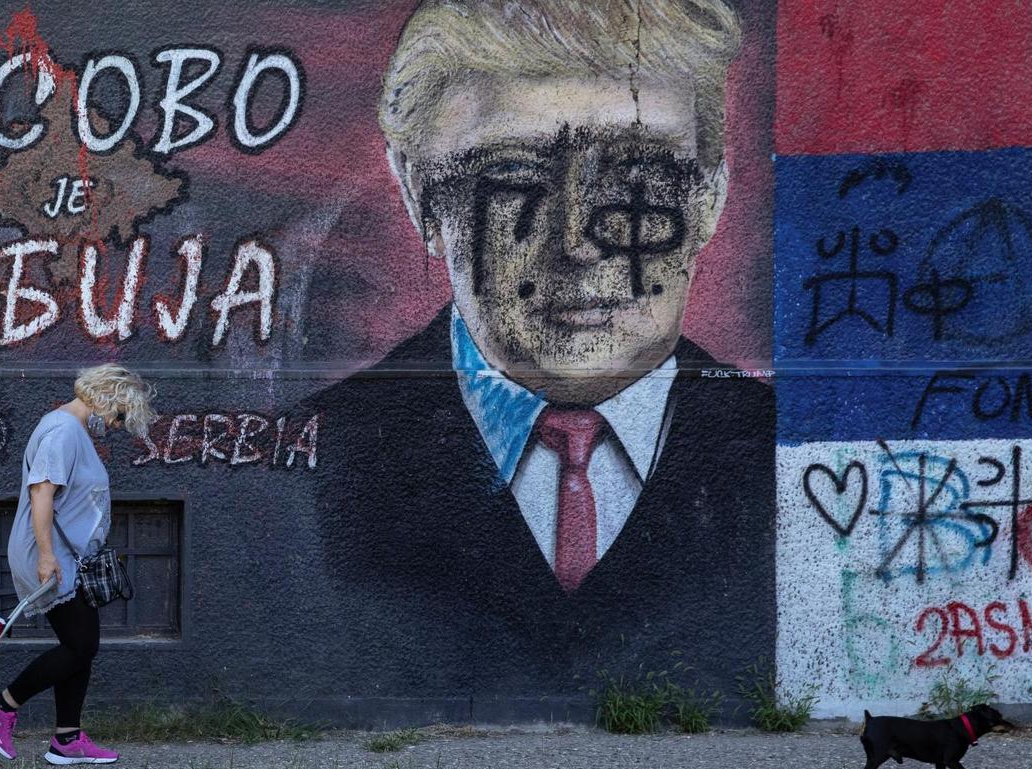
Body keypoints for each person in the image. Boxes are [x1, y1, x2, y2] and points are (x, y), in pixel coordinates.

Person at [300, 0, 775, 706]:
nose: (579, 243)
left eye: (636, 175)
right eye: (514, 179)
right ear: (419, 196)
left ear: (711, 195)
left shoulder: (791, 454)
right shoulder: (316, 457)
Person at [0, 363, 157, 765]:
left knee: (82, 646)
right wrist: (45, 555)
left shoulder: (70, 430)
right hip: (51, 555)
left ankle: (67, 739)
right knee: (81, 645)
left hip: (67, 557)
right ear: (107, 396)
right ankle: (2, 705)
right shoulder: (63, 431)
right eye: (120, 414)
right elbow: (42, 494)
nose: (115, 423)